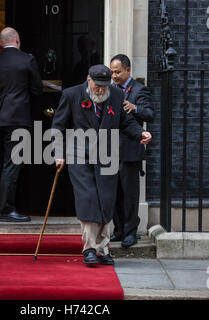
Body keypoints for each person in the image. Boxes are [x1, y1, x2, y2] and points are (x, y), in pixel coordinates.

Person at [52, 65, 152, 266]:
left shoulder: (116, 93)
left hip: (107, 157)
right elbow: (58, 127)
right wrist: (59, 154)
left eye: (104, 87)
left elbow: (126, 121)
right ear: (89, 80)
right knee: (88, 199)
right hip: (80, 156)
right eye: (97, 86)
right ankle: (89, 249)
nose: (101, 90)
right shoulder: (72, 95)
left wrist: (140, 133)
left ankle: (102, 249)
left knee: (106, 202)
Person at [0, 27, 43, 222]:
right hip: (17, 120)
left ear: (1, 43)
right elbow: (36, 89)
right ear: (17, 40)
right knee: (12, 165)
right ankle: (7, 210)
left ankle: (4, 207)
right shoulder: (27, 60)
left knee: (4, 164)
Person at [110, 54, 154, 248]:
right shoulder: (109, 90)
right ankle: (118, 230)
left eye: (117, 72)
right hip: (110, 150)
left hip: (129, 150)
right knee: (114, 194)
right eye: (112, 72)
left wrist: (135, 107)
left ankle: (130, 232)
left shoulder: (139, 89)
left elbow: (149, 114)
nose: (114, 76)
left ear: (128, 70)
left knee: (129, 194)